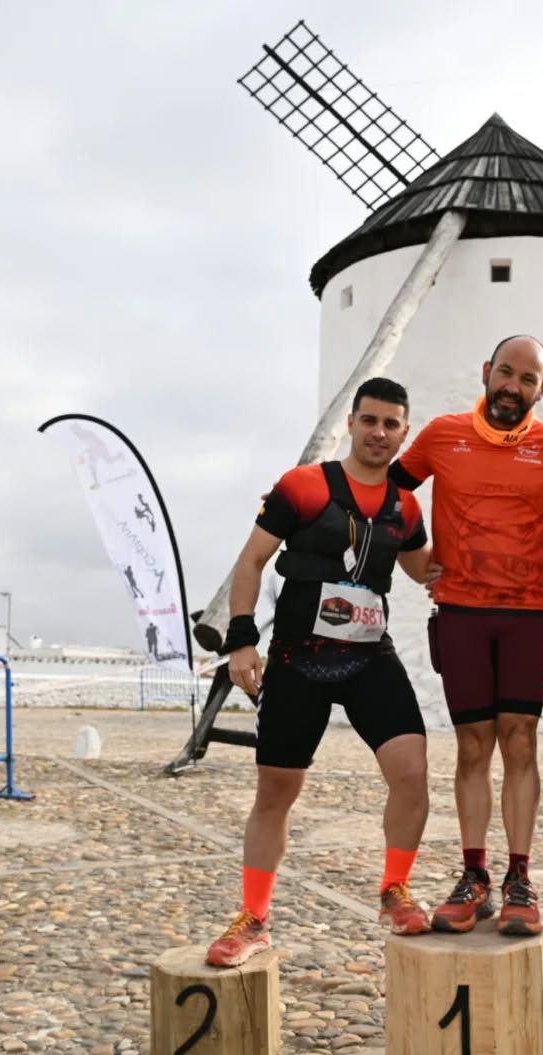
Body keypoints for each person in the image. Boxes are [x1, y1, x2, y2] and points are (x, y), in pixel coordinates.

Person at [207, 377, 438, 967]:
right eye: (370, 421)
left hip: (368, 657)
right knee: (276, 795)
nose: (379, 433)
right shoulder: (303, 486)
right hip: (296, 660)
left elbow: (426, 572)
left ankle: (395, 890)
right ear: (351, 424)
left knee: (412, 772)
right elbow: (252, 560)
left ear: (403, 434)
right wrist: (241, 642)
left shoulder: (406, 506)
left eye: (391, 424)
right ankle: (254, 918)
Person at [390, 335, 543, 936]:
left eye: (528, 380)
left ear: (542, 390)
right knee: (473, 747)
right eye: (506, 373)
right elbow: (386, 487)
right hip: (461, 614)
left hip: (529, 616)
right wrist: (416, 557)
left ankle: (519, 878)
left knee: (521, 742)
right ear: (486, 372)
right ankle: (474, 874)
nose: (513, 387)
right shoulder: (443, 433)